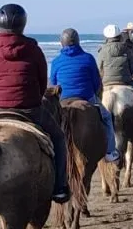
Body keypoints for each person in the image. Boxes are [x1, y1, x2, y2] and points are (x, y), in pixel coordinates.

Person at [0, 4, 71, 203]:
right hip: (30, 109)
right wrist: (33, 97)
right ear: (23, 24)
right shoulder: (34, 50)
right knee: (58, 138)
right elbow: (41, 83)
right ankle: (60, 187)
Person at [49, 28, 120, 161]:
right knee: (106, 118)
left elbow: (53, 83)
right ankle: (110, 152)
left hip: (63, 99)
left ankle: (51, 152)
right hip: (86, 97)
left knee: (50, 123)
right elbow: (96, 81)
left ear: (61, 43)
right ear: (78, 42)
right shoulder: (88, 58)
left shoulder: (56, 61)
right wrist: (94, 95)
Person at [96, 22, 133, 88]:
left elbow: (100, 69)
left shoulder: (102, 50)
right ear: (119, 35)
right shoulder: (127, 48)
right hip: (125, 81)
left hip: (106, 82)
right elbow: (132, 67)